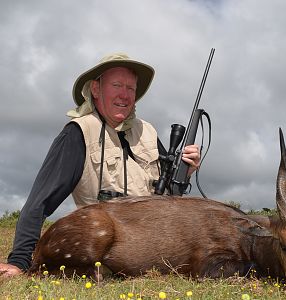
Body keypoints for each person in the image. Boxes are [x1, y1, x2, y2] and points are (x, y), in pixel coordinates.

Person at [0, 53, 200, 277]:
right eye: (116, 85)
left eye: (131, 88)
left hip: (156, 248)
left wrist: (186, 172)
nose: (124, 95)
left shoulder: (148, 132)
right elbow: (40, 202)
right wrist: (19, 261)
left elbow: (168, 201)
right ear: (95, 89)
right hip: (108, 250)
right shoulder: (79, 133)